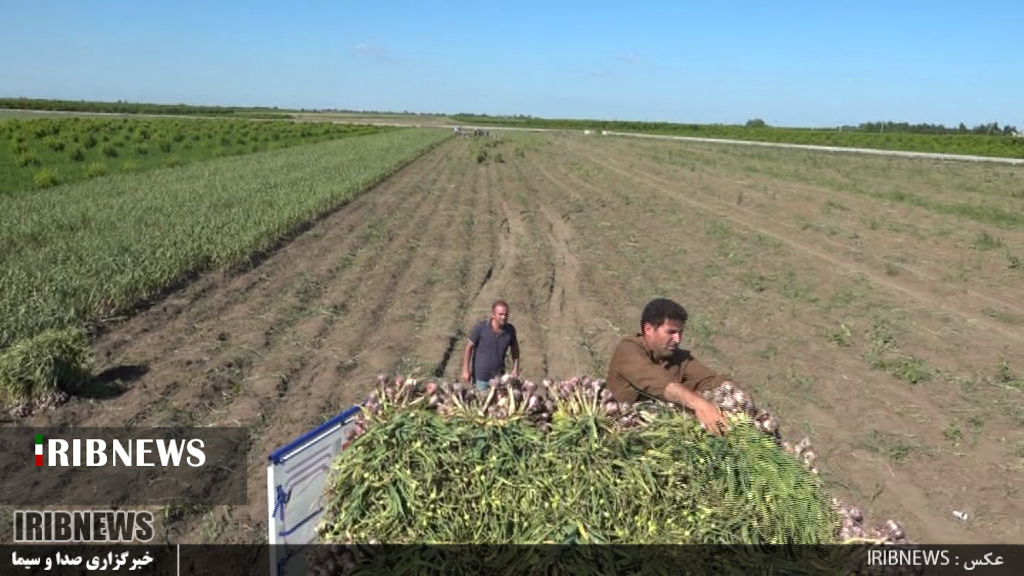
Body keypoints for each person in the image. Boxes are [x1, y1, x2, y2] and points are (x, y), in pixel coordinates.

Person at [605, 298, 739, 435]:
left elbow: (710, 380)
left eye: (680, 333)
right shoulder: (628, 350)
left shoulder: (677, 356)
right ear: (648, 329)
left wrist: (737, 394)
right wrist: (701, 405)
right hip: (628, 428)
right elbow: (658, 382)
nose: (677, 339)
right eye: (671, 332)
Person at [462, 300, 520, 390]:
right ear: (493, 315)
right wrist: (466, 370)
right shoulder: (481, 328)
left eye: (506, 314)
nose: (504, 317)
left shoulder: (510, 330)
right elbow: (469, 347)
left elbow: (515, 350)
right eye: (500, 314)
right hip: (481, 378)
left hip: (499, 378)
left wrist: (515, 368)